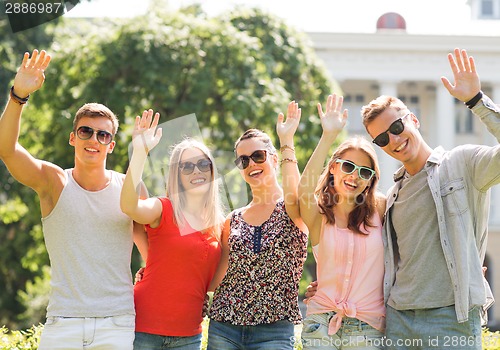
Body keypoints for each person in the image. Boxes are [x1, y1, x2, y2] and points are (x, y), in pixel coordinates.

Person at [0, 50, 143, 349]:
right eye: (86, 131)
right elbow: (7, 150)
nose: (94, 140)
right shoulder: (53, 182)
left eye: (103, 135)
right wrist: (18, 96)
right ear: (73, 137)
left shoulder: (129, 188)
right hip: (62, 323)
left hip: (117, 323)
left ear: (112, 145)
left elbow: (152, 255)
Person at [360, 48, 500, 349]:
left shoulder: (461, 163)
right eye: (382, 139)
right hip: (398, 318)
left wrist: (476, 101)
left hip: (452, 317)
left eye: (397, 127)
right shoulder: (393, 193)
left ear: (413, 119)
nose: (394, 141)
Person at [206, 101, 308, 350]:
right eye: (243, 161)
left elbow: (295, 196)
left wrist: (286, 140)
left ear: (273, 159)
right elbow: (214, 275)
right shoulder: (233, 219)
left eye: (258, 156)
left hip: (274, 330)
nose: (251, 164)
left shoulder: (294, 209)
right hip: (224, 325)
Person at [120, 109, 225, 349]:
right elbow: (128, 205)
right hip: (144, 330)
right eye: (186, 167)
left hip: (189, 335)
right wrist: (140, 152)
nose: (196, 171)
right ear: (176, 175)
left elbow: (211, 282)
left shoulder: (220, 225)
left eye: (202, 164)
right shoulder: (163, 208)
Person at [298, 94, 386, 349]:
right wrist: (328, 136)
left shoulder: (380, 209)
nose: (355, 176)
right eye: (348, 166)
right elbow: (304, 190)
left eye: (365, 172)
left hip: (368, 327)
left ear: (371, 180)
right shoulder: (319, 216)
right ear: (334, 167)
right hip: (321, 324)